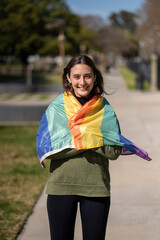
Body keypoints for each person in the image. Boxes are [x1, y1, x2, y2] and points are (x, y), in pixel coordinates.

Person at [36, 55, 151, 240]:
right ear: (68, 77)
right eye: (77, 76)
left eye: (87, 76)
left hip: (96, 188)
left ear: (95, 77)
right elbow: (51, 150)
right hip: (60, 189)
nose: (82, 82)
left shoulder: (104, 109)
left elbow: (113, 152)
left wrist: (77, 135)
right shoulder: (57, 108)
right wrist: (93, 137)